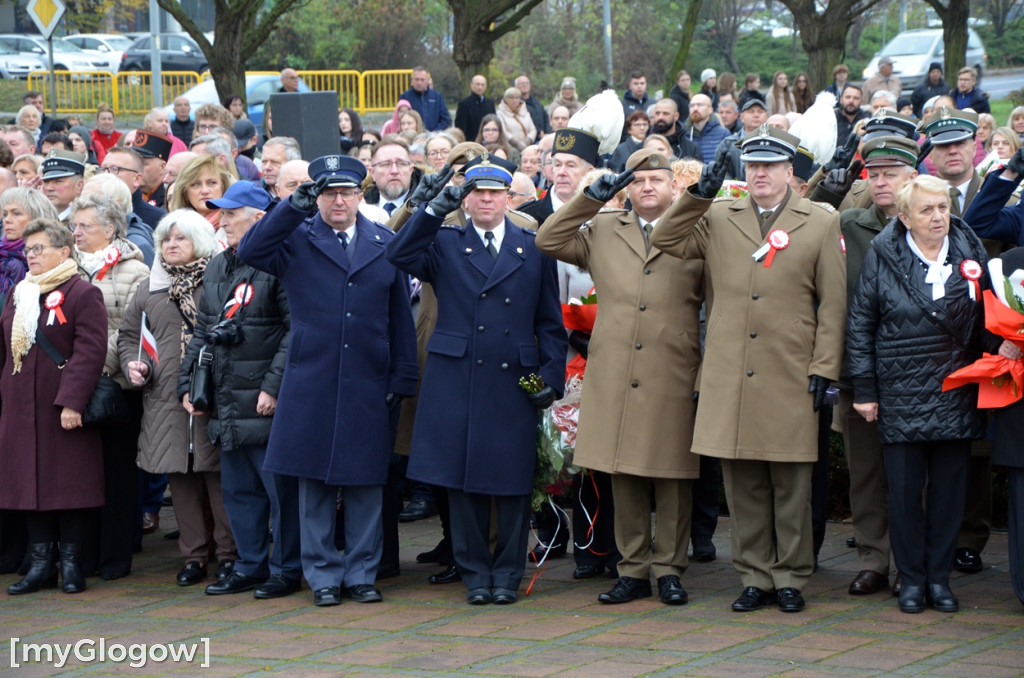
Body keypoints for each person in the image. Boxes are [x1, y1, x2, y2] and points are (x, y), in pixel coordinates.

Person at [652, 125, 847, 613]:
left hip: (790, 370)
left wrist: (825, 365)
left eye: (770, 166)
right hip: (730, 370)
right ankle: (755, 575)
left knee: (791, 484)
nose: (760, 173)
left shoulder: (819, 221)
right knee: (742, 484)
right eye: (753, 165)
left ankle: (791, 577)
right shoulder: (719, 214)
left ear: (789, 171)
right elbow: (667, 237)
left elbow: (834, 304)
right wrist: (699, 192)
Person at [237, 155, 417, 607]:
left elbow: (399, 317)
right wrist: (290, 207)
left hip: (369, 377)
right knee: (313, 483)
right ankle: (322, 577)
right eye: (329, 193)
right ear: (318, 197)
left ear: (361, 195)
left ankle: (361, 574)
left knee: (365, 485)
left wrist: (402, 375)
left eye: (348, 192)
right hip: (311, 378)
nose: (339, 200)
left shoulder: (383, 240)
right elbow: (251, 251)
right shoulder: (297, 237)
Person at [387, 159, 566, 606]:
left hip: (514, 376)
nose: (486, 200)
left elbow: (549, 320)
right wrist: (429, 209)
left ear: (509, 198)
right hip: (457, 374)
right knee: (460, 480)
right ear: (465, 199)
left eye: (495, 193)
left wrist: (551, 377)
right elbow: (398, 255)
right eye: (477, 193)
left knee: (512, 482)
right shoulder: (445, 241)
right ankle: (474, 574)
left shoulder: (532, 244)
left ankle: (507, 572)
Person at [537, 149, 702, 605]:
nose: (647, 187)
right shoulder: (606, 227)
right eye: (639, 180)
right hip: (615, 368)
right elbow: (549, 239)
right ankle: (632, 569)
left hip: (673, 364)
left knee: (672, 473)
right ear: (626, 188)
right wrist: (589, 199)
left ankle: (669, 569)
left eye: (656, 179)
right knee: (622, 471)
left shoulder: (695, 226)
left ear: (673, 186)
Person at [846, 174, 993, 614]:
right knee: (905, 496)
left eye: (944, 207)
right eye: (926, 210)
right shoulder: (882, 255)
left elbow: (989, 314)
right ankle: (910, 580)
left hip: (956, 391)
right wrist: (866, 390)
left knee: (950, 495)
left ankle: (939, 580)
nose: (938, 217)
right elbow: (861, 325)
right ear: (905, 217)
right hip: (900, 393)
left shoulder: (970, 251)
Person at [174, 182, 301, 599]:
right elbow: (204, 330)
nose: (222, 220)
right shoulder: (218, 265)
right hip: (228, 398)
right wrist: (188, 383)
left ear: (260, 219)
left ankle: (285, 569)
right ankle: (249, 565)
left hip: (264, 401)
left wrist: (273, 386)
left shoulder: (281, 263)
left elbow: (294, 332)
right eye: (221, 213)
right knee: (240, 493)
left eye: (232, 213)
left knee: (279, 494)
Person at [118, 210, 237, 587]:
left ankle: (230, 556)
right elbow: (128, 336)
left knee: (219, 481)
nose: (170, 245)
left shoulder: (221, 281)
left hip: (213, 396)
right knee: (181, 482)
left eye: (180, 238)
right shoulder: (149, 288)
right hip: (165, 400)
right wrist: (134, 363)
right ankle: (193, 557)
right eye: (165, 240)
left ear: (200, 242)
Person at [1, 217, 106, 595]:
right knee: (30, 486)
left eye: (39, 248)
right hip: (19, 408)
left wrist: (72, 402)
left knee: (70, 486)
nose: (32, 256)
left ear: (64, 251)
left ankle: (72, 565)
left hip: (59, 407)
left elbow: (90, 351)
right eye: (29, 250)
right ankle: (41, 566)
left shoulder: (81, 293)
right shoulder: (21, 293)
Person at [834, 136, 920, 597]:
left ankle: (912, 560)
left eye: (891, 173)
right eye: (873, 172)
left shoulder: (932, 222)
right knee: (866, 473)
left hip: (918, 375)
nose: (880, 181)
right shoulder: (850, 223)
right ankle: (873, 560)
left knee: (914, 477)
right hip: (860, 371)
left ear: (912, 176)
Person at [70, 194, 150, 581]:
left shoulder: (135, 271)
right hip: (72, 387)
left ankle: (115, 558)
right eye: (74, 225)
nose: (76, 232)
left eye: (85, 225)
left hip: (116, 388)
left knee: (117, 476)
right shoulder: (66, 267)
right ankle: (82, 557)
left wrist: (91, 365)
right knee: (80, 475)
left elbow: (132, 332)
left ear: (111, 229)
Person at [1, 188, 56, 301]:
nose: (7, 220)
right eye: (5, 214)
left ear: (37, 218)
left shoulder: (52, 258)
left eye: (16, 213)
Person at [168, 155, 234, 232]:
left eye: (212, 183)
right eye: (196, 184)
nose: (205, 191)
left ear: (223, 187)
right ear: (184, 192)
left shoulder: (234, 226)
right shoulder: (174, 227)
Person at [399, 67, 451, 131]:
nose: (419, 82)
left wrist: (435, 133)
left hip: (434, 136)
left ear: (428, 80)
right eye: (416, 79)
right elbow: (400, 118)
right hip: (413, 136)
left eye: (422, 79)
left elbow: (445, 119)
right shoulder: (405, 96)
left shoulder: (437, 96)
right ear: (412, 80)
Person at [455, 75, 495, 142]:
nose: (480, 87)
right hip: (471, 141)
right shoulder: (464, 104)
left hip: (488, 141)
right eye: (477, 84)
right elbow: (461, 127)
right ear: (471, 85)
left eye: (483, 85)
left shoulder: (490, 103)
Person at [497, 88, 537, 153]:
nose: (514, 100)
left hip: (527, 147)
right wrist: (517, 143)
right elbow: (503, 131)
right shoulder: (500, 114)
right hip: (510, 148)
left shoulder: (525, 112)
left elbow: (533, 129)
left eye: (517, 98)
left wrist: (526, 141)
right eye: (511, 98)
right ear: (505, 99)